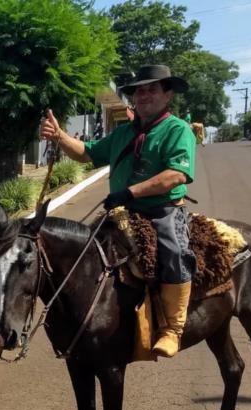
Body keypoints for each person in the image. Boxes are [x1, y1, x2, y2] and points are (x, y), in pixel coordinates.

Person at [40, 64, 196, 358]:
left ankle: (173, 329)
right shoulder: (123, 132)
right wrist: (60, 136)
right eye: (139, 90)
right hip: (122, 211)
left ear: (168, 94)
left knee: (175, 252)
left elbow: (177, 174)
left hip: (161, 210)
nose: (144, 95)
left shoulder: (178, 130)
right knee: (84, 250)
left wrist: (130, 192)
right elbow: (86, 153)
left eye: (152, 89)